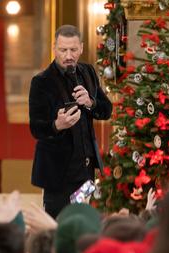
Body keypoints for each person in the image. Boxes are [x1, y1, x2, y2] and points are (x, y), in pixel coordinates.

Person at [29, 24, 112, 218]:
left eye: (73, 50)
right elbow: (36, 128)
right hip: (58, 173)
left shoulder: (88, 72)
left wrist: (90, 102)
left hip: (85, 169)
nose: (68, 56)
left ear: (81, 48)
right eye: (63, 50)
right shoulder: (42, 81)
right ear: (54, 48)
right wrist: (57, 125)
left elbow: (106, 110)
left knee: (82, 222)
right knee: (58, 226)